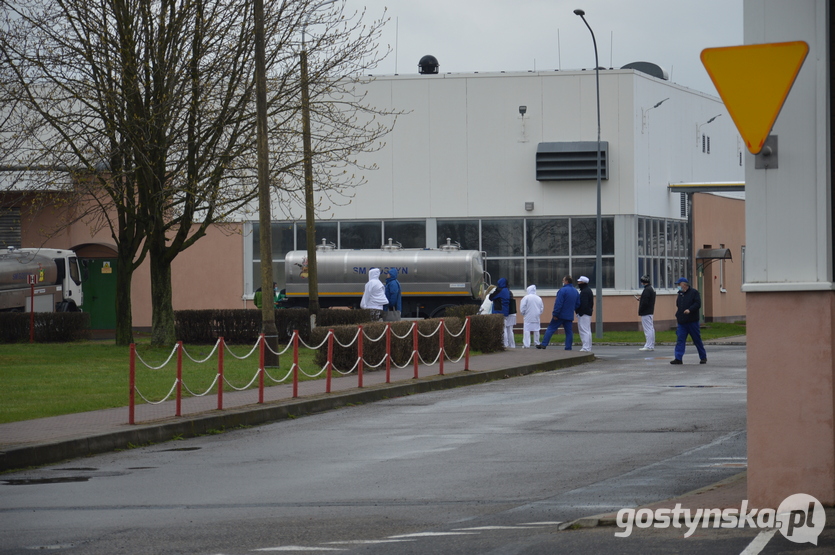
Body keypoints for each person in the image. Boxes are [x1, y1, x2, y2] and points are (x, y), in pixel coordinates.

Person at [537, 275, 580, 350]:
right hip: (569, 315)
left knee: (551, 328)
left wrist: (555, 313)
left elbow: (558, 303)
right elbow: (577, 304)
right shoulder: (575, 291)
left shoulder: (562, 290)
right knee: (569, 332)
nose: (562, 282)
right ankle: (568, 347)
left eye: (563, 280)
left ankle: (544, 344)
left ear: (566, 281)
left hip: (560, 314)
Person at [671, 277, 707, 364]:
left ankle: (703, 357)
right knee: (680, 340)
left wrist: (689, 310)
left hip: (692, 321)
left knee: (697, 340)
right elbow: (678, 305)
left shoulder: (694, 293)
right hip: (682, 322)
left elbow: (697, 304)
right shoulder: (680, 294)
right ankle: (678, 358)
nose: (678, 286)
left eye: (679, 284)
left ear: (684, 284)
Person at [490, 277, 516, 348]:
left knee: (502, 329)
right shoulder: (507, 290)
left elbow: (491, 297)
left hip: (499, 311)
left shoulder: (499, 290)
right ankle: (511, 345)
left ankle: (504, 344)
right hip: (506, 311)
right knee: (509, 329)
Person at [519, 284, 544, 348]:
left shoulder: (526, 298)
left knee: (527, 331)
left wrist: (523, 313)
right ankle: (537, 343)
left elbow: (522, 307)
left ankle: (527, 344)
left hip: (528, 317)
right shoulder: (539, 298)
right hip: (536, 317)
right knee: (536, 330)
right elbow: (541, 308)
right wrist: (538, 313)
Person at [635, 274, 656, 351]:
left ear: (643, 282)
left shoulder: (647, 290)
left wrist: (641, 309)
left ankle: (648, 345)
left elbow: (645, 302)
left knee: (647, 329)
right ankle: (651, 344)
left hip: (646, 312)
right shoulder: (651, 288)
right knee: (650, 328)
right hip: (650, 311)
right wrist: (642, 298)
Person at [575, 276, 594, 352]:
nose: (578, 283)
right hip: (587, 313)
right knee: (587, 331)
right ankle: (588, 346)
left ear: (582, 283)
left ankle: (585, 347)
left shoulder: (584, 292)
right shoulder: (588, 290)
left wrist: (580, 312)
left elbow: (584, 304)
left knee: (584, 330)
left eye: (579, 282)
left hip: (583, 314)